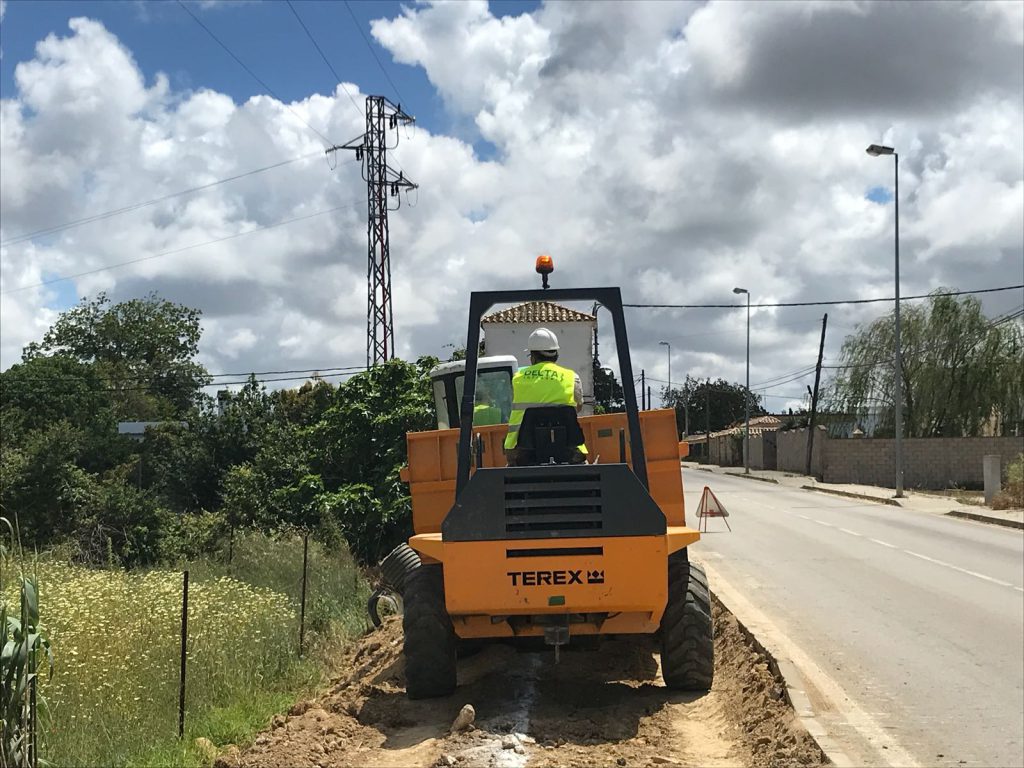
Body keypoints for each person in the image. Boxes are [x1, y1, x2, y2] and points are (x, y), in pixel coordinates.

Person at [504, 328, 587, 466]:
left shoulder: (517, 379)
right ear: (556, 355)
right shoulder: (571, 377)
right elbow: (578, 406)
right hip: (569, 449)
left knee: (510, 468)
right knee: (584, 466)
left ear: (533, 357)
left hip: (522, 450)